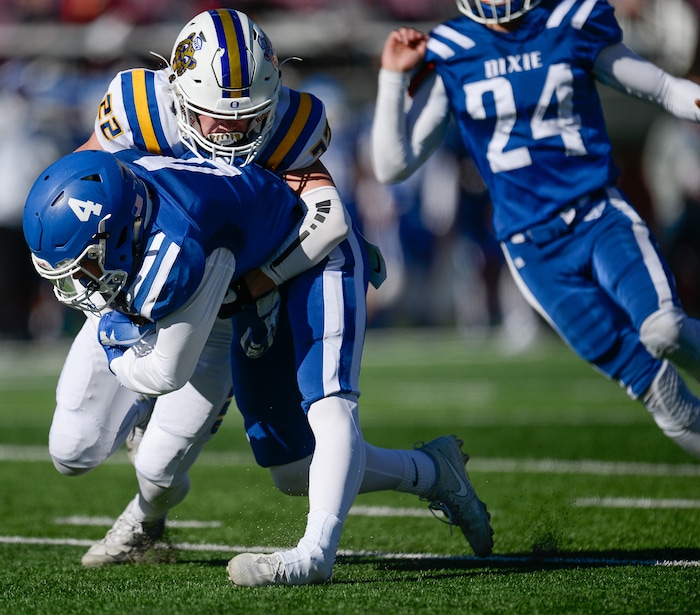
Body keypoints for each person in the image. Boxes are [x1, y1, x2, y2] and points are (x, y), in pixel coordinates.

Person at [42, 9, 494, 580]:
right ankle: (139, 454)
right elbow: (82, 183)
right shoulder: (137, 105)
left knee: (169, 462)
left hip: (222, 295)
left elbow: (326, 220)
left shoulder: (288, 123)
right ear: (180, 94)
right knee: (72, 450)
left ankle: (144, 519)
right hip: (137, 287)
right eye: (214, 120)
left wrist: (258, 283)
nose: (230, 134)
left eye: (245, 119)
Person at [370, 0, 700, 460]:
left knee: (665, 329)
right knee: (660, 394)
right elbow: (391, 165)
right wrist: (391, 76)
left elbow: (664, 88)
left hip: (597, 216)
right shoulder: (454, 48)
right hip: (533, 250)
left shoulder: (569, 22)